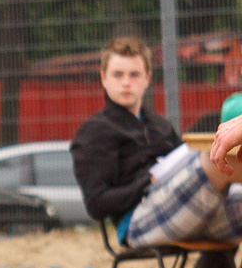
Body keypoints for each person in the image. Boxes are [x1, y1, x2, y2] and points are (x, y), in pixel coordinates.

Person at [73, 36, 241, 248]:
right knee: (212, 159)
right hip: (137, 222)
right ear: (103, 78)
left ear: (148, 77)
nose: (126, 82)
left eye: (134, 74)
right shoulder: (93, 132)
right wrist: (146, 181)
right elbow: (96, 204)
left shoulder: (160, 125)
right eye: (117, 75)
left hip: (192, 214)